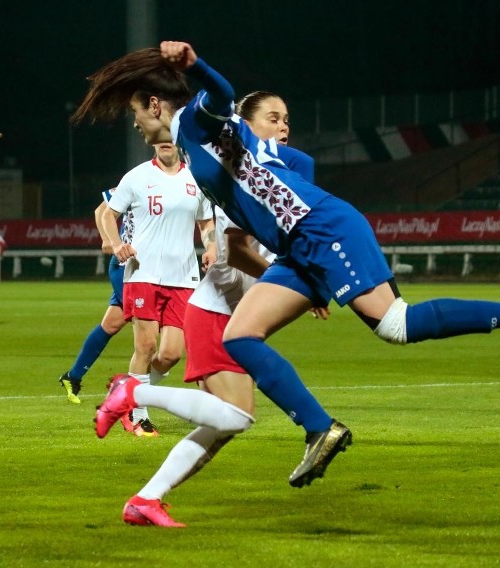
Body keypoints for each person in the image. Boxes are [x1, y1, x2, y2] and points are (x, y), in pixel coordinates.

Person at [72, 41, 500, 490]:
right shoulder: (202, 147)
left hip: (322, 230)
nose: (135, 123)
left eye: (136, 111)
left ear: (154, 105)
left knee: (396, 324)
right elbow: (290, 172)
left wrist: (195, 64)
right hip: (298, 246)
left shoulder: (194, 124)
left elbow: (222, 94)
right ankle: (319, 429)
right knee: (240, 337)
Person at [97, 92, 319, 527]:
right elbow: (237, 252)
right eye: (273, 119)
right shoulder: (243, 179)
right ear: (247, 127)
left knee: (222, 428)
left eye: (287, 118)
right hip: (218, 313)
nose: (284, 126)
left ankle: (146, 500)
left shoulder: (272, 178)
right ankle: (132, 393)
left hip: (232, 313)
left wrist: (300, 276)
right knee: (237, 416)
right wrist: (296, 275)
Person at [99, 142, 217, 436]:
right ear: (151, 141)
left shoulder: (196, 179)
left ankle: (125, 391)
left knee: (172, 354)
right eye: (159, 135)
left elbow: (206, 222)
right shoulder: (137, 176)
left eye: (170, 134)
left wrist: (212, 245)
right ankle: (138, 416)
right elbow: (106, 215)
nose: (165, 140)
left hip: (183, 276)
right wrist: (116, 245)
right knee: (147, 346)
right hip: (143, 272)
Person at [58, 188, 133, 404]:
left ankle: (72, 377)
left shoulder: (180, 182)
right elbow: (102, 209)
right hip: (128, 267)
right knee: (152, 331)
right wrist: (109, 240)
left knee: (111, 324)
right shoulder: (138, 178)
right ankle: (132, 402)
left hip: (150, 270)